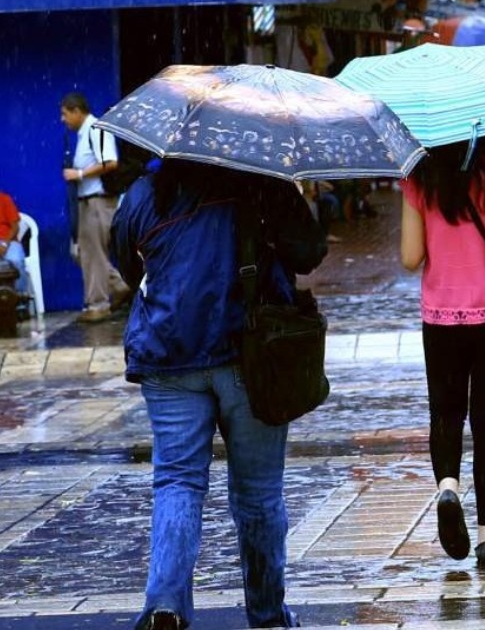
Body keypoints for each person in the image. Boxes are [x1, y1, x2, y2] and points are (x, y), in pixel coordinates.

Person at [111, 160, 326, 630]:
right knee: (258, 494)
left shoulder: (148, 191)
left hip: (168, 356)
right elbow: (308, 252)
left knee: (177, 480)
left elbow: (126, 262)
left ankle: (165, 606)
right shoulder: (263, 183)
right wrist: (291, 197)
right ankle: (267, 613)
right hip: (251, 357)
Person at [399, 133, 485, 568]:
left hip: (441, 318)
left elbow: (409, 256)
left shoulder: (420, 181)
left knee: (445, 412)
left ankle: (448, 487)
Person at [60, 92, 132, 322]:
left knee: (94, 254)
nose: (63, 119)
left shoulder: (96, 129)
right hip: (86, 201)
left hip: (98, 201)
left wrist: (79, 173)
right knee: (86, 253)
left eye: (65, 114)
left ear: (77, 111)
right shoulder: (83, 134)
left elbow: (110, 162)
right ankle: (120, 286)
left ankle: (98, 305)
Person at [0, 188, 28, 308]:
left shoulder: (4, 199)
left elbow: (15, 227)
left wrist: (4, 244)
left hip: (9, 241)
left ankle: (20, 302)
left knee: (16, 260)